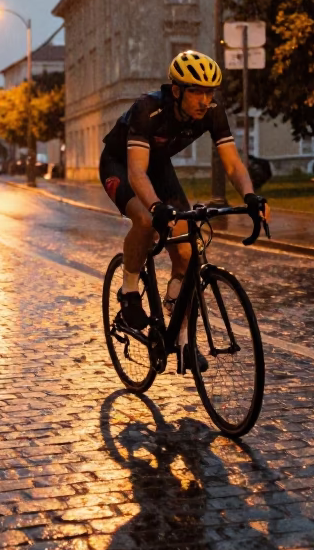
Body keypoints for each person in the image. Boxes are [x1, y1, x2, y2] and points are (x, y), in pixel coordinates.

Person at [98, 49, 269, 366]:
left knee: (190, 253)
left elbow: (232, 164)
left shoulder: (213, 112)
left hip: (159, 167)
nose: (204, 100)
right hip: (120, 164)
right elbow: (136, 173)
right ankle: (130, 291)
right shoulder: (148, 109)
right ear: (176, 91)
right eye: (196, 91)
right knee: (146, 220)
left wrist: (250, 197)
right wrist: (155, 206)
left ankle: (184, 340)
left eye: (209, 92)